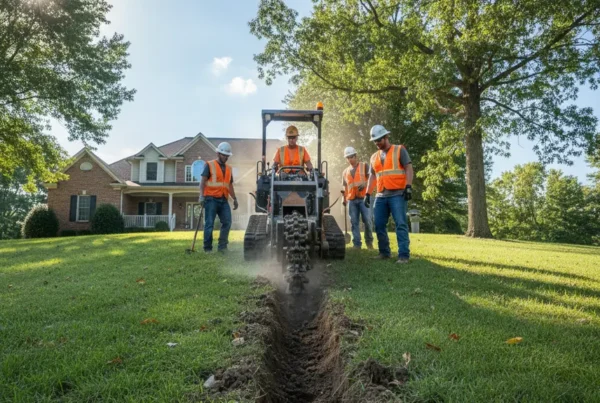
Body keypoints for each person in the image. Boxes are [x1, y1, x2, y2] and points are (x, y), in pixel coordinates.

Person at [364, 125, 414, 264]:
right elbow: (372, 177)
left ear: (386, 137)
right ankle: (384, 252)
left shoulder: (399, 150)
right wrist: (367, 193)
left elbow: (408, 168)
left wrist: (408, 186)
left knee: (400, 224)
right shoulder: (374, 157)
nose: (377, 143)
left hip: (398, 193)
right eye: (374, 141)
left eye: (379, 140)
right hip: (381, 195)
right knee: (379, 224)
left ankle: (404, 255)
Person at [198, 142, 239, 253]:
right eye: (223, 154)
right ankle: (207, 248)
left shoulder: (229, 169)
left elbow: (229, 185)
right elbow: (203, 182)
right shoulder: (209, 165)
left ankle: (222, 247)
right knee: (209, 224)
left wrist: (234, 198)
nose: (226, 157)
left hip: (223, 199)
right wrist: (201, 196)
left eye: (227, 155)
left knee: (227, 222)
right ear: (218, 153)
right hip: (210, 199)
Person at [342, 146, 374, 249]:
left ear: (356, 156)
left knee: (367, 221)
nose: (350, 159)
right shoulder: (345, 172)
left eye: (351, 156)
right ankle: (357, 244)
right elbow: (345, 186)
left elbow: (371, 178)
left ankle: (369, 242)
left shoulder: (364, 166)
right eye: (348, 157)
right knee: (354, 222)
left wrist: (365, 184)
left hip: (364, 198)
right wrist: (344, 198)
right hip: (351, 200)